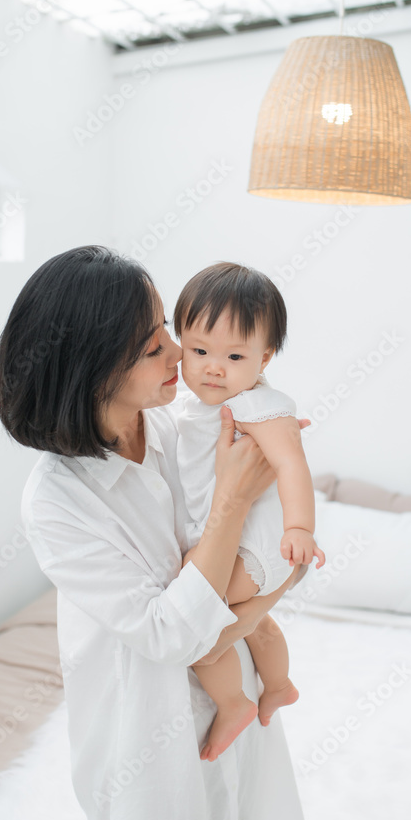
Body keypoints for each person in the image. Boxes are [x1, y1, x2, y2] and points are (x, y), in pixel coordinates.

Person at [0, 245, 310, 820]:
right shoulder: (58, 499)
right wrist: (230, 506)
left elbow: (268, 538)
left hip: (230, 680)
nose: (178, 352)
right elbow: (169, 633)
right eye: (149, 344)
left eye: (166, 326)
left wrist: (271, 583)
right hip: (145, 724)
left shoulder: (177, 428)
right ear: (93, 367)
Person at [174, 262, 325, 763]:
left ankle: (233, 702)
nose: (213, 367)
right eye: (198, 351)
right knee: (256, 624)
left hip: (259, 547)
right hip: (246, 547)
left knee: (195, 614)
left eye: (234, 355)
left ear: (265, 358)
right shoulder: (189, 406)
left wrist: (301, 527)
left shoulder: (259, 405)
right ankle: (278, 685)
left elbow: (291, 464)